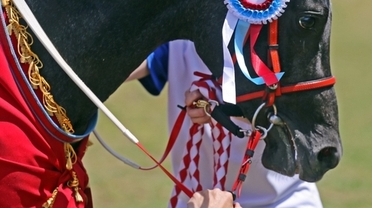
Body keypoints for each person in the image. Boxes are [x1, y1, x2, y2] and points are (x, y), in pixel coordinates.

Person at [128, 40, 323, 208]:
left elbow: (303, 109)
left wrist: (225, 109)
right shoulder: (180, 25)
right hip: (196, 200)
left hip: (284, 200)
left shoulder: (280, 26)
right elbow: (126, 60)